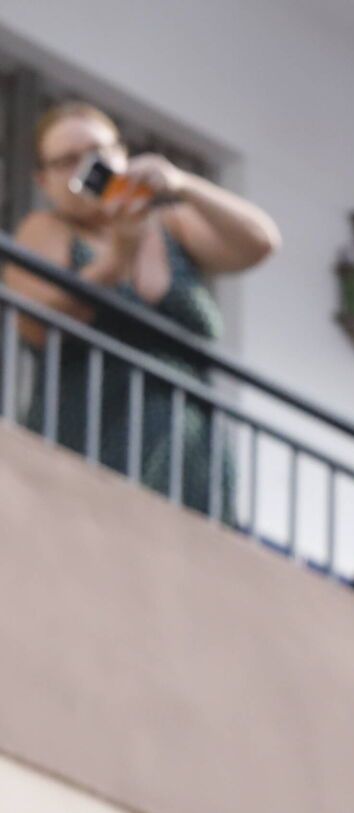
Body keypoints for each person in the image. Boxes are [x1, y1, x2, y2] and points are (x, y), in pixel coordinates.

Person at [6, 100, 279, 522]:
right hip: (91, 435)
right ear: (44, 181)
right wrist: (116, 260)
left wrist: (180, 183)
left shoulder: (170, 224)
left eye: (98, 152)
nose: (86, 167)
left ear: (121, 154)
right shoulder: (46, 230)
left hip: (188, 452)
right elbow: (37, 325)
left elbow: (258, 243)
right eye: (67, 161)